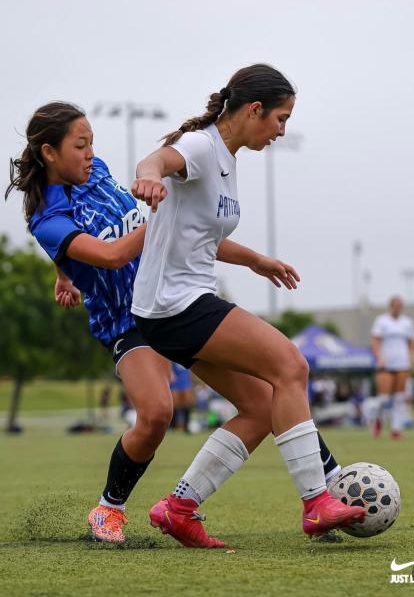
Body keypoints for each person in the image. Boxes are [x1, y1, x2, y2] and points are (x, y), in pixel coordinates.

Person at [6, 101, 344, 547]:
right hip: (128, 323)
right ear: (49, 153)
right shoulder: (47, 218)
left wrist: (254, 259)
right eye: (80, 145)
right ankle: (109, 508)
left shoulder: (98, 172)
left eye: (92, 144)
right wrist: (165, 221)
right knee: (157, 413)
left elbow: (169, 233)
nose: (91, 154)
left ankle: (197, 504)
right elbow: (110, 254)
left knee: (265, 398)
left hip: (173, 301)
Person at [131, 63, 365, 545]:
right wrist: (148, 177)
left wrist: (256, 260)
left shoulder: (227, 159)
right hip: (176, 304)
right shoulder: (200, 146)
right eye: (281, 118)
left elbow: (198, 238)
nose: (282, 130)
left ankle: (179, 507)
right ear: (255, 110)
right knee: (290, 365)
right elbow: (154, 162)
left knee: (260, 406)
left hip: (172, 308)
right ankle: (316, 502)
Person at [371, 296, 414, 438]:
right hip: (386, 363)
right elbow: (375, 341)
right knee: (384, 398)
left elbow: (410, 343)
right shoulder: (382, 321)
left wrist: (413, 356)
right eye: (395, 305)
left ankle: (396, 429)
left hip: (402, 363)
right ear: (391, 306)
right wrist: (379, 358)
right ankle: (377, 420)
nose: (398, 308)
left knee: (399, 398)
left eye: (400, 305)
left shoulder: (407, 322)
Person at [169, 362, 195, 432]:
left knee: (187, 403)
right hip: (175, 381)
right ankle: (172, 426)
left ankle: (186, 426)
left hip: (186, 381)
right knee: (174, 404)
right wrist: (171, 373)